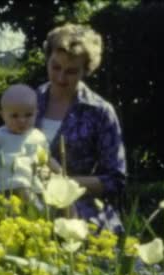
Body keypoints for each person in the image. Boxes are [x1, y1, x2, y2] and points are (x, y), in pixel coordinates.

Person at [36, 23, 127, 233]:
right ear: (47, 59)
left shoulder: (100, 111)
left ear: (86, 70)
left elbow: (115, 179)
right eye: (55, 67)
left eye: (71, 71)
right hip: (27, 208)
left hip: (81, 214)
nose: (60, 78)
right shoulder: (28, 101)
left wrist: (63, 185)